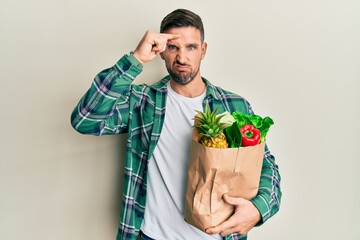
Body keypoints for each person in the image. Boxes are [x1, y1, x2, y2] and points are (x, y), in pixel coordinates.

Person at [71, 9, 281, 240]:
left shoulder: (233, 105)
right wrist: (136, 59)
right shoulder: (142, 102)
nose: (182, 58)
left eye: (191, 47)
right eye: (173, 47)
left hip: (216, 235)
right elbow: (85, 120)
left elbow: (266, 166)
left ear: (203, 50)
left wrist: (258, 209)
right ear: (161, 52)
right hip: (152, 236)